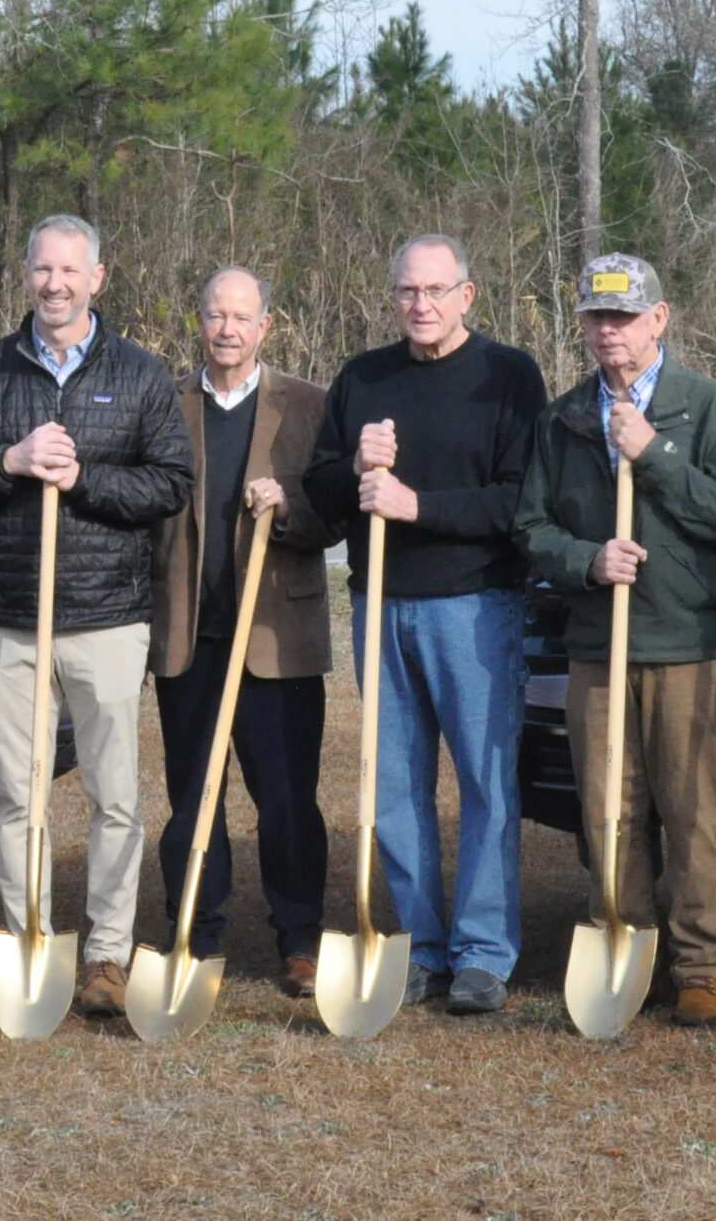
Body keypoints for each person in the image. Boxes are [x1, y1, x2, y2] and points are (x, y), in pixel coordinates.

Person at [0, 213, 192, 1019]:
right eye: (43, 270)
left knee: (115, 796)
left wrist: (83, 481)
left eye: (70, 271)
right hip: (9, 618)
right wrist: (8, 462)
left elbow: (169, 484)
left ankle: (108, 954)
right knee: (19, 796)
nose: (56, 284)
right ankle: (33, 940)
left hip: (109, 618)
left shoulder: (141, 375)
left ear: (97, 279)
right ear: (25, 275)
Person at [304, 234, 548, 1015]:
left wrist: (417, 506)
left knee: (484, 784)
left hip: (477, 606)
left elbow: (520, 502)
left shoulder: (508, 377)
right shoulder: (364, 377)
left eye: (437, 291)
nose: (421, 305)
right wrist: (353, 469)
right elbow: (319, 490)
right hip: (381, 605)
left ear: (468, 296)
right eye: (408, 291)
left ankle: (481, 955)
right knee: (394, 786)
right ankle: (417, 945)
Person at [514, 255, 716, 1026]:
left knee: (695, 813)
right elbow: (530, 527)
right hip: (600, 641)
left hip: (687, 640)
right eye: (595, 317)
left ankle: (701, 967)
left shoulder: (711, 408)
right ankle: (628, 947)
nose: (607, 331)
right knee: (607, 812)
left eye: (623, 316)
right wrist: (587, 560)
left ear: (659, 319)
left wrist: (651, 453)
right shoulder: (561, 420)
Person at [148, 266, 335, 999]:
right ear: (197, 322)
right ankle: (197, 931)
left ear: (266, 325)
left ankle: (300, 939)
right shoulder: (165, 405)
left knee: (288, 799)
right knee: (192, 796)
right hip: (189, 635)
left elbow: (335, 516)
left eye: (241, 316)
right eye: (214, 315)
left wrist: (287, 507)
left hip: (276, 639)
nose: (227, 328)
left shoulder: (308, 408)